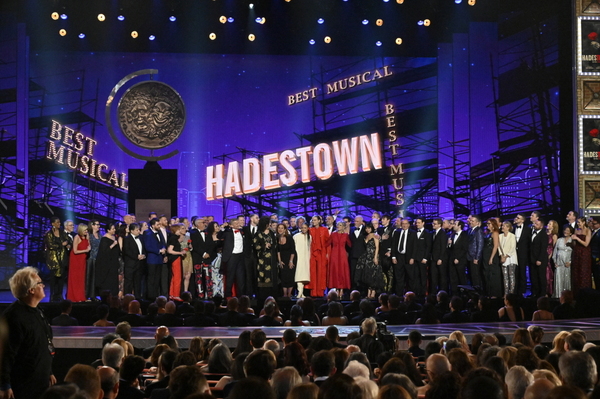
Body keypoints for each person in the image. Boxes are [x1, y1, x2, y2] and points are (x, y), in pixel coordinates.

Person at [1, 267, 56, 398]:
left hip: (40, 384)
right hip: (23, 386)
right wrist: (4, 385)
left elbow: (43, 343)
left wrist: (49, 371)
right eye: (39, 283)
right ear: (31, 290)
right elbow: (6, 354)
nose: (43, 285)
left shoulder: (38, 311)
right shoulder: (13, 317)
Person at [44, 216, 70, 301]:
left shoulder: (62, 232)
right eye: (57, 222)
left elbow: (67, 239)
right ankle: (52, 295)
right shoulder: (49, 234)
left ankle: (59, 294)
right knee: (53, 279)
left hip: (62, 258)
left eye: (59, 222)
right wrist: (61, 245)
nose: (59, 224)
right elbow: (50, 245)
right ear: (53, 224)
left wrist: (68, 243)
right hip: (53, 259)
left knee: (61, 278)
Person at [354, 223, 384, 299]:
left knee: (373, 274)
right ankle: (368, 292)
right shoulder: (365, 236)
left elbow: (377, 247)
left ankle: (373, 292)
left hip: (373, 256)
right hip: (366, 257)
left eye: (369, 228)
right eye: (366, 228)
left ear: (372, 228)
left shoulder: (375, 235)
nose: (368, 230)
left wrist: (375, 257)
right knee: (367, 274)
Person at [254, 216, 278, 300]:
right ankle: (263, 296)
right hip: (262, 259)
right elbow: (256, 246)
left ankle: (273, 295)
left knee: (272, 275)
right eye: (269, 223)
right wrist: (264, 246)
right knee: (263, 276)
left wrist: (272, 246)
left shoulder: (271, 233)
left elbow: (275, 243)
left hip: (272, 258)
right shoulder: (258, 233)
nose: (270, 224)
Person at [222, 217, 246, 298]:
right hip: (231, 256)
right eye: (236, 223)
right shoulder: (227, 232)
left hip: (240, 256)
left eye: (238, 223)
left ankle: (241, 296)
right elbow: (219, 235)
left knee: (240, 277)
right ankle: (228, 295)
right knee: (230, 277)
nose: (238, 224)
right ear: (231, 225)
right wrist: (223, 227)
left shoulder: (242, 231)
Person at [67, 223, 91, 302]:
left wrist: (88, 239)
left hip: (82, 260)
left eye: (87, 230)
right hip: (76, 260)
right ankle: (75, 297)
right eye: (85, 230)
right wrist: (86, 250)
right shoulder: (77, 237)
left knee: (81, 279)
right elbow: (75, 251)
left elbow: (88, 246)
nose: (86, 231)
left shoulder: (86, 237)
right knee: (75, 278)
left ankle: (81, 296)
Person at [95, 223, 121, 297]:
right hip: (107, 263)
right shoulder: (104, 239)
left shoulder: (114, 237)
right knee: (108, 280)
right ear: (108, 230)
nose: (114, 230)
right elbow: (104, 252)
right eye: (112, 229)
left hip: (114, 262)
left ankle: (114, 294)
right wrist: (113, 245)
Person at [122, 223, 146, 298]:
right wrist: (136, 256)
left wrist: (144, 255)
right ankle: (127, 299)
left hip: (140, 264)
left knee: (138, 283)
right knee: (128, 282)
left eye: (139, 230)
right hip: (130, 264)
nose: (139, 231)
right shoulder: (126, 239)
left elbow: (144, 248)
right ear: (131, 231)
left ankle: (138, 299)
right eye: (137, 230)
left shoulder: (141, 238)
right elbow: (126, 251)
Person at [328, 222, 352, 296]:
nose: (338, 226)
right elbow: (327, 243)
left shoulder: (346, 235)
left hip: (342, 255)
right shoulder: (333, 234)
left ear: (343, 227)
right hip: (334, 254)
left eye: (340, 225)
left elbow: (350, 245)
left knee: (342, 271)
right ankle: (336, 289)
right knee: (335, 271)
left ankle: (341, 289)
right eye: (337, 225)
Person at [308, 215, 329, 297]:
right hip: (312, 252)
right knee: (313, 272)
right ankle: (313, 291)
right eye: (313, 220)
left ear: (319, 221)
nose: (314, 221)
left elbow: (327, 242)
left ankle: (320, 292)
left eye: (315, 220)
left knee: (321, 271)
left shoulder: (324, 230)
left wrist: (327, 253)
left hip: (322, 253)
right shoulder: (310, 230)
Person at [571, 217, 593, 295]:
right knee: (576, 272)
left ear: (584, 222)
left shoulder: (588, 230)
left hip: (584, 253)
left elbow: (586, 244)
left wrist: (577, 238)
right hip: (577, 252)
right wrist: (572, 240)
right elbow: (574, 244)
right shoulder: (576, 230)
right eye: (577, 222)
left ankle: (585, 292)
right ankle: (576, 292)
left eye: (579, 222)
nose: (578, 223)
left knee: (583, 272)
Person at [167, 223, 187, 300]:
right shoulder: (173, 238)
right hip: (175, 259)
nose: (180, 230)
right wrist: (180, 253)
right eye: (179, 229)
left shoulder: (174, 238)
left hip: (175, 258)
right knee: (177, 277)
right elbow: (170, 250)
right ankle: (176, 295)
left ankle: (172, 294)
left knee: (174, 277)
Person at [483, 219, 502, 298]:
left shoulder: (495, 233)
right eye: (487, 223)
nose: (487, 225)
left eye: (489, 223)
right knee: (487, 274)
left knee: (493, 274)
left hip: (492, 255)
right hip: (485, 254)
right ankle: (489, 292)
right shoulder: (487, 233)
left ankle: (495, 293)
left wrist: (491, 258)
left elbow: (495, 246)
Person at [276, 223, 296, 298]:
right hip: (282, 259)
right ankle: (284, 294)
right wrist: (279, 261)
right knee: (283, 276)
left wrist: (291, 261)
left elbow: (293, 251)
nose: (280, 229)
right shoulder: (276, 238)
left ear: (285, 229)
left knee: (290, 276)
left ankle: (289, 293)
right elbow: (277, 251)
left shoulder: (289, 237)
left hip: (290, 259)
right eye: (279, 228)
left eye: (282, 228)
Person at [530, 218, 549, 298]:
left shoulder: (544, 235)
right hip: (532, 259)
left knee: (541, 277)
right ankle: (535, 293)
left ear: (541, 226)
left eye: (537, 224)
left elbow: (543, 248)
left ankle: (542, 293)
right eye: (535, 223)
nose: (534, 225)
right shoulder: (532, 233)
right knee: (533, 277)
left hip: (540, 259)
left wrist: (539, 259)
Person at [553, 226, 573, 297]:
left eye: (567, 230)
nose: (565, 232)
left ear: (571, 233)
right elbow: (555, 251)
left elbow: (575, 253)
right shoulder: (559, 240)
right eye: (565, 230)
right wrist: (555, 262)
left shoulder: (572, 241)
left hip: (567, 264)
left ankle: (566, 297)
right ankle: (558, 296)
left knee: (567, 280)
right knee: (559, 280)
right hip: (559, 264)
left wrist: (570, 262)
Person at [499, 221, 518, 295]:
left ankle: (511, 293)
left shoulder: (512, 235)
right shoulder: (500, 236)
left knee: (511, 276)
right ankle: (506, 294)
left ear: (508, 227)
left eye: (504, 226)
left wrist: (506, 256)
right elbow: (499, 247)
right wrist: (501, 256)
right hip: (503, 258)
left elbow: (512, 247)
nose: (502, 227)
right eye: (502, 226)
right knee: (505, 277)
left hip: (511, 258)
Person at [293, 224, 311, 298]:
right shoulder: (296, 236)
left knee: (304, 275)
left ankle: (301, 292)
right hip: (298, 257)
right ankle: (299, 292)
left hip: (306, 258)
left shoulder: (309, 237)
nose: (304, 229)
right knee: (299, 274)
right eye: (302, 228)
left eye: (305, 228)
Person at [87, 220, 102, 300]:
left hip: (98, 259)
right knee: (90, 277)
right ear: (92, 225)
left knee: (96, 278)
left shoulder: (100, 236)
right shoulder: (89, 235)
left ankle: (94, 295)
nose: (98, 226)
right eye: (97, 224)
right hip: (91, 258)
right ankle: (88, 294)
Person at [546, 220, 559, 297]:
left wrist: (550, 256)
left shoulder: (554, 236)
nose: (548, 225)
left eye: (550, 224)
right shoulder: (544, 234)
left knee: (548, 274)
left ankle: (549, 292)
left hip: (550, 255)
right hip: (543, 254)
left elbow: (554, 248)